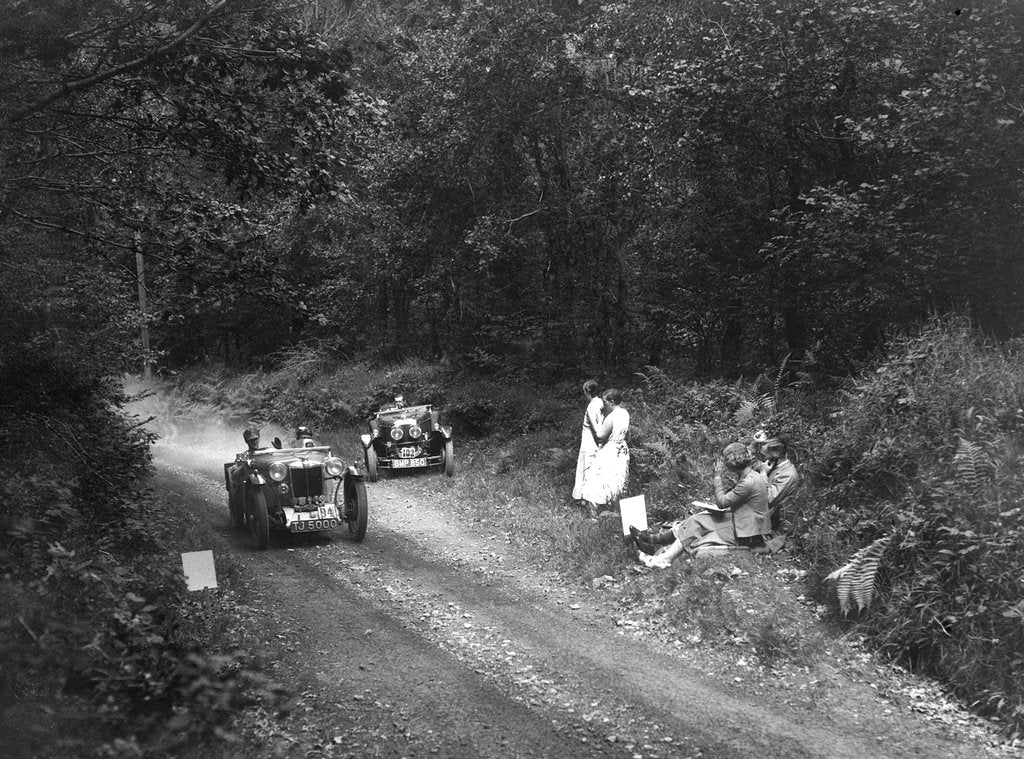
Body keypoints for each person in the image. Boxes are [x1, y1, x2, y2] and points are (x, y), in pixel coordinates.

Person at [633, 441, 769, 568]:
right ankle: (654, 540)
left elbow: (722, 502)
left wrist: (717, 477)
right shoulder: (750, 475)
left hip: (748, 532)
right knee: (698, 518)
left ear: (732, 464)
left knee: (697, 523)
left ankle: (663, 559)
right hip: (746, 523)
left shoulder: (748, 482)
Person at [580, 389, 630, 518]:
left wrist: (596, 425)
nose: (604, 404)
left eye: (605, 401)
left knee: (597, 478)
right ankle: (613, 509)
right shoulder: (625, 413)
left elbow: (601, 436)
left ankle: (594, 515)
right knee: (617, 478)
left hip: (612, 449)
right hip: (623, 448)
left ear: (611, 402)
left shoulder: (611, 416)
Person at [572, 379, 606, 504]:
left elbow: (597, 428)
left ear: (587, 392)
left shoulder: (592, 406)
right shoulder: (600, 402)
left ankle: (589, 501)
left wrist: (601, 442)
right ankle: (587, 500)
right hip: (594, 443)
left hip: (590, 444)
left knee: (588, 471)